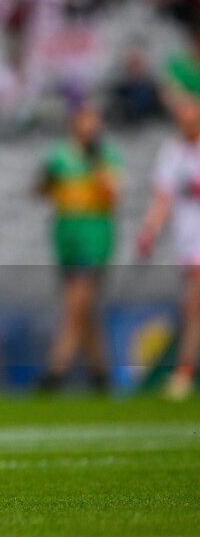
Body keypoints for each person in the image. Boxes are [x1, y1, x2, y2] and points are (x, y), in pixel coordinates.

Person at [35, 102, 122, 393]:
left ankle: (53, 374)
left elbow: (113, 194)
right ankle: (102, 378)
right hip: (66, 241)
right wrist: (45, 178)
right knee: (86, 313)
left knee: (76, 307)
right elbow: (41, 192)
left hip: (94, 240)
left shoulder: (105, 155)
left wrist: (97, 165)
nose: (91, 126)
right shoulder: (60, 156)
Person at [137, 95, 200, 400]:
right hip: (188, 241)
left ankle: (184, 373)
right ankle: (185, 371)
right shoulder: (172, 153)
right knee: (192, 308)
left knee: (193, 306)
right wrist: (150, 229)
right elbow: (163, 198)